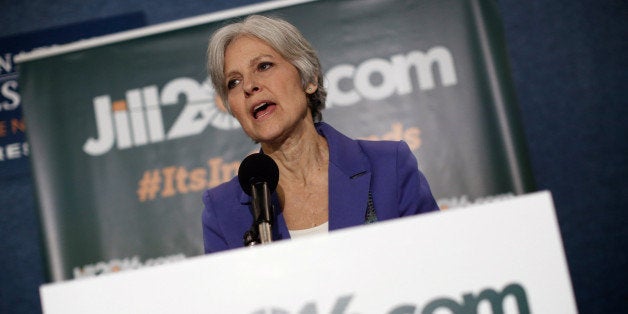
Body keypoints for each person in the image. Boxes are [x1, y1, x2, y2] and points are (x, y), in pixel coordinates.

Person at [202, 15, 439, 253]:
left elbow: (436, 259)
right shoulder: (222, 211)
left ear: (310, 79)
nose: (248, 86)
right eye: (233, 82)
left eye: (264, 66)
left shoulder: (389, 165)